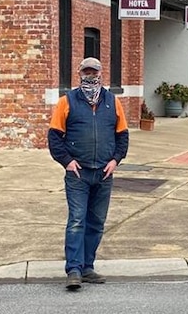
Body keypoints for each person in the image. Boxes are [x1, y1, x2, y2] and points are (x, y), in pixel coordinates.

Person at [48, 57, 129, 290]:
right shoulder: (67, 101)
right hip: (78, 174)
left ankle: (87, 267)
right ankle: (73, 270)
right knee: (76, 220)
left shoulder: (112, 101)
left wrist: (115, 160)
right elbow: (54, 136)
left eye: (94, 72)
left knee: (96, 222)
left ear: (101, 74)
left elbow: (122, 135)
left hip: (104, 173)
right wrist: (67, 162)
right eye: (86, 72)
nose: (90, 76)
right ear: (79, 73)